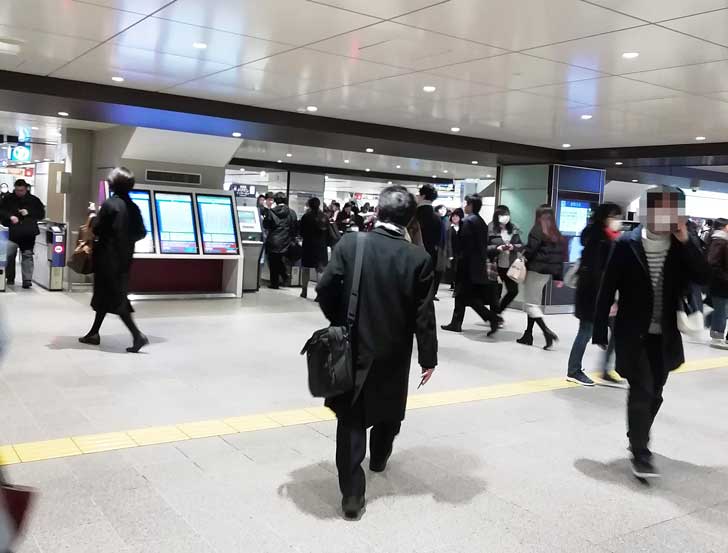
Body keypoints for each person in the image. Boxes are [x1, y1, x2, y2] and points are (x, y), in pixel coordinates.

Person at [316, 185, 437, 520]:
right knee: (388, 410)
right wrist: (428, 358)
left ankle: (352, 497)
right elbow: (423, 314)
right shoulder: (418, 258)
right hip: (395, 351)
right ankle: (380, 458)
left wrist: (339, 320)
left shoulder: (352, 243)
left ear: (378, 212)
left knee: (352, 420)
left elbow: (325, 287)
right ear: (410, 218)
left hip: (355, 347)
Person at [594, 185, 708, 479]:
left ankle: (636, 432)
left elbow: (703, 277)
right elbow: (608, 286)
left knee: (655, 392)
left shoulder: (681, 245)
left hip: (666, 334)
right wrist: (599, 330)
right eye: (661, 209)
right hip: (633, 333)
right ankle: (641, 452)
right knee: (642, 389)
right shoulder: (626, 244)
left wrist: (686, 242)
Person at [78, 167, 148, 353]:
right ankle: (93, 333)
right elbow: (141, 232)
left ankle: (137, 335)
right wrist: (126, 241)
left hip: (106, 259)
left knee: (116, 300)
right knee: (105, 296)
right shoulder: (133, 207)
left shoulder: (110, 205)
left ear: (113, 184)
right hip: (124, 259)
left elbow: (98, 230)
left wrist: (94, 219)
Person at [566, 203, 623, 386]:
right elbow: (596, 273)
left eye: (618, 216)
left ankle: (606, 369)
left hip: (601, 295)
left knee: (616, 330)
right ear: (603, 217)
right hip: (592, 295)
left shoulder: (608, 237)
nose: (617, 220)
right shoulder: (598, 239)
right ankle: (573, 370)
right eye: (614, 216)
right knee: (585, 331)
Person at [441, 194, 499, 336]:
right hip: (478, 263)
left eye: (466, 203)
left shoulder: (468, 222)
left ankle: (492, 317)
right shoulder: (481, 222)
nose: (464, 206)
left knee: (467, 296)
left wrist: (457, 260)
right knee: (462, 295)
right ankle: (456, 322)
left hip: (466, 264)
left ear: (471, 205)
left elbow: (464, 245)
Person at [518, 205, 566, 350]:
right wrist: (559, 276)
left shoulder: (537, 230)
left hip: (535, 271)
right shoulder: (555, 232)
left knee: (530, 305)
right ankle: (528, 334)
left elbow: (531, 250)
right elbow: (559, 257)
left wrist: (523, 256)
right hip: (546, 274)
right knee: (535, 303)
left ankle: (547, 333)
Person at [0, 179, 45, 288]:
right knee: (10, 255)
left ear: (26, 189)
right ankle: (10, 278)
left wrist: (28, 212)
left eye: (21, 190)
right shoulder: (8, 199)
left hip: (28, 232)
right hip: (13, 232)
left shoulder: (34, 200)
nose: (19, 192)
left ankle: (27, 280)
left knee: (27, 255)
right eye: (17, 190)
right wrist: (10, 217)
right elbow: (1, 211)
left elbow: (41, 214)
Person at [487, 205, 523, 317]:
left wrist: (514, 247)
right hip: (495, 264)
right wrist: (497, 248)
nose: (505, 217)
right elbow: (485, 247)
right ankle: (494, 317)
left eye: (506, 214)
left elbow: (521, 245)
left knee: (513, 291)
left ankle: (497, 313)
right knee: (495, 292)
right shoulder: (491, 227)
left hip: (510, 265)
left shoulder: (514, 228)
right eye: (502, 215)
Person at [263, 192, 298, 289]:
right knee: (280, 260)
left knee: (273, 261)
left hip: (273, 240)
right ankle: (284, 275)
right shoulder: (292, 212)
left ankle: (275, 283)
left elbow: (266, 225)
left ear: (275, 201)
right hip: (286, 241)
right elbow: (295, 227)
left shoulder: (271, 212)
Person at [416, 185, 445, 299]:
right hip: (431, 254)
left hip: (413, 252)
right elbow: (439, 239)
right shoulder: (437, 218)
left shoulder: (414, 214)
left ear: (423, 195)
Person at [299, 197, 329, 299]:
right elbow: (328, 233)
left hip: (308, 246)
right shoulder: (325, 217)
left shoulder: (306, 217)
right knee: (319, 270)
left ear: (310, 205)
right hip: (321, 247)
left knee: (305, 269)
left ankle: (304, 291)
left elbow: (301, 232)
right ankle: (319, 295)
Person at [707, 218, 728, 349]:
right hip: (720, 284)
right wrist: (725, 277)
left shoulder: (720, 241)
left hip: (721, 283)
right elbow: (713, 263)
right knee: (721, 310)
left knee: (722, 310)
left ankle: (718, 335)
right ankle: (716, 337)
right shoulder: (719, 242)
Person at [446, 208, 464, 291]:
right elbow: (448, 241)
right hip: (452, 251)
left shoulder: (463, 227)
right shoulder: (449, 227)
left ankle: (457, 284)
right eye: (453, 216)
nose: (455, 218)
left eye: (457, 216)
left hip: (461, 251)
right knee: (453, 268)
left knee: (459, 268)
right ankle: (453, 283)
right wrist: (449, 253)